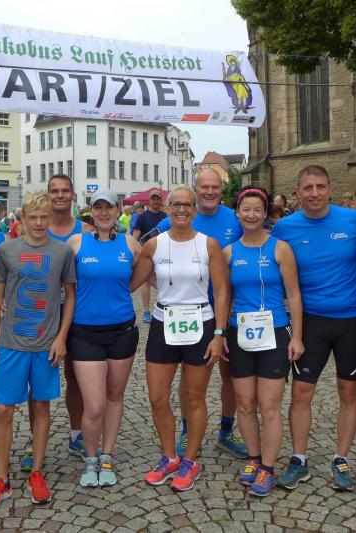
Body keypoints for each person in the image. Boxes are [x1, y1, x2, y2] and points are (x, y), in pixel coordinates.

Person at [0, 191, 76, 511]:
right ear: (22, 218)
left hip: (46, 345)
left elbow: (70, 296)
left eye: (44, 217)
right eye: (33, 217)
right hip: (12, 343)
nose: (38, 222)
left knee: (41, 407)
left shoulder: (62, 251)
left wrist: (62, 337)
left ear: (51, 218)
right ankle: (2, 477)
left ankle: (36, 471)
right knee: (4, 410)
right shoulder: (6, 250)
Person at [271, 165, 356, 492]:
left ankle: (341, 458)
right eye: (307, 187)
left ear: (330, 189)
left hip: (352, 319)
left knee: (349, 392)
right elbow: (272, 270)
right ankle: (299, 459)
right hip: (310, 321)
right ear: (297, 192)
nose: (314, 193)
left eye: (320, 187)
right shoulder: (285, 228)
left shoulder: (353, 220)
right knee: (301, 392)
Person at [131, 185, 229, 493]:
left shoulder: (208, 244)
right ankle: (169, 456)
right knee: (157, 398)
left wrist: (219, 333)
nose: (182, 209)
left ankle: (190, 460)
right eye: (176, 204)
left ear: (195, 210)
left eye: (188, 205)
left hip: (200, 323)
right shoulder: (155, 245)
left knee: (193, 397)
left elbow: (221, 291)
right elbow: (133, 280)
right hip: (164, 322)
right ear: (168, 208)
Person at [156, 169, 246, 460]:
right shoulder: (172, 219)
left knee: (230, 374)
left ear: (222, 189)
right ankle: (186, 430)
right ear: (195, 190)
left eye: (215, 187)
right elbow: (150, 257)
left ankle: (226, 430)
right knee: (188, 376)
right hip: (186, 314)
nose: (210, 192)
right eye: (204, 187)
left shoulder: (234, 219)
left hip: (227, 309)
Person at [225, 186, 304, 497]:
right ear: (237, 213)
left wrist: (297, 336)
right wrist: (221, 333)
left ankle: (268, 468)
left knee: (269, 406)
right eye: (246, 209)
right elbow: (224, 297)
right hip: (240, 333)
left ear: (266, 213)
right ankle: (254, 458)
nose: (251, 215)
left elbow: (294, 295)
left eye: (257, 209)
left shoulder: (280, 248)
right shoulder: (229, 253)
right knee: (245, 404)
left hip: (275, 333)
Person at [67, 189, 141, 488]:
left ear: (118, 210)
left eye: (109, 207)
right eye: (98, 207)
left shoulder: (130, 244)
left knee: (114, 397)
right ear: (91, 212)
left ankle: (107, 455)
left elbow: (145, 273)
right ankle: (90, 458)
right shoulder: (76, 243)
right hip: (85, 333)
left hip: (122, 331)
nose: (104, 213)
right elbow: (58, 281)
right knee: (94, 405)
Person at [39, 174, 91, 467]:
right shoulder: (36, 227)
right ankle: (36, 440)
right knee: (38, 379)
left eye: (65, 191)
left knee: (75, 377)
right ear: (48, 195)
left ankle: (76, 434)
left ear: (73, 195)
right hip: (41, 314)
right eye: (54, 191)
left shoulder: (86, 231)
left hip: (76, 312)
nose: (59, 195)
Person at [133, 191, 167, 324]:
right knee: (145, 281)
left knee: (163, 280)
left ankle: (162, 307)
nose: (155, 201)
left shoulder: (165, 216)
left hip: (162, 252)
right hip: (146, 253)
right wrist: (135, 251)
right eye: (153, 199)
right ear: (149, 201)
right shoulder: (143, 216)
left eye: (157, 199)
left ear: (160, 201)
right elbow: (136, 236)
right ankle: (146, 311)